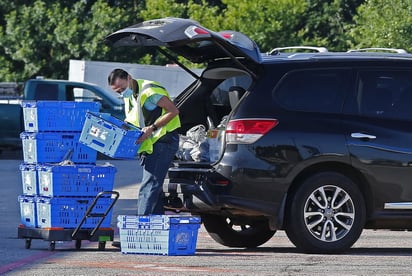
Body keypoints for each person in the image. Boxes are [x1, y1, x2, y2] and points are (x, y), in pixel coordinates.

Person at [108, 68, 180, 215]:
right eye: (117, 92)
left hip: (163, 142)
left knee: (149, 187)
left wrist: (152, 128)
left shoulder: (149, 91)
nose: (121, 93)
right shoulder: (130, 96)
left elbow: (173, 111)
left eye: (122, 89)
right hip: (151, 145)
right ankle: (155, 226)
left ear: (129, 78)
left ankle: (140, 224)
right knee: (155, 188)